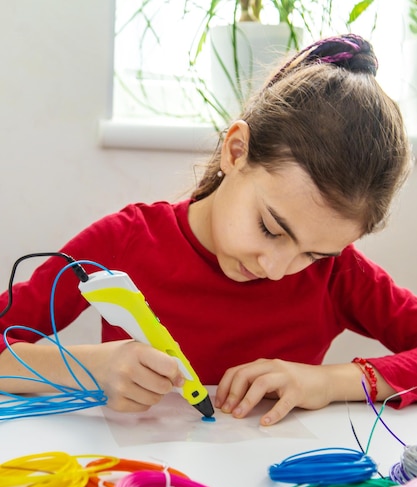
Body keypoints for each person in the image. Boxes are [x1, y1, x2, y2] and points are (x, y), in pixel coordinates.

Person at [0, 34, 416, 427]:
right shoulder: (124, 241)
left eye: (315, 254)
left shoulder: (340, 275)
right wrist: (89, 367)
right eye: (270, 229)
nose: (275, 269)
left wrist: (330, 382)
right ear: (236, 151)